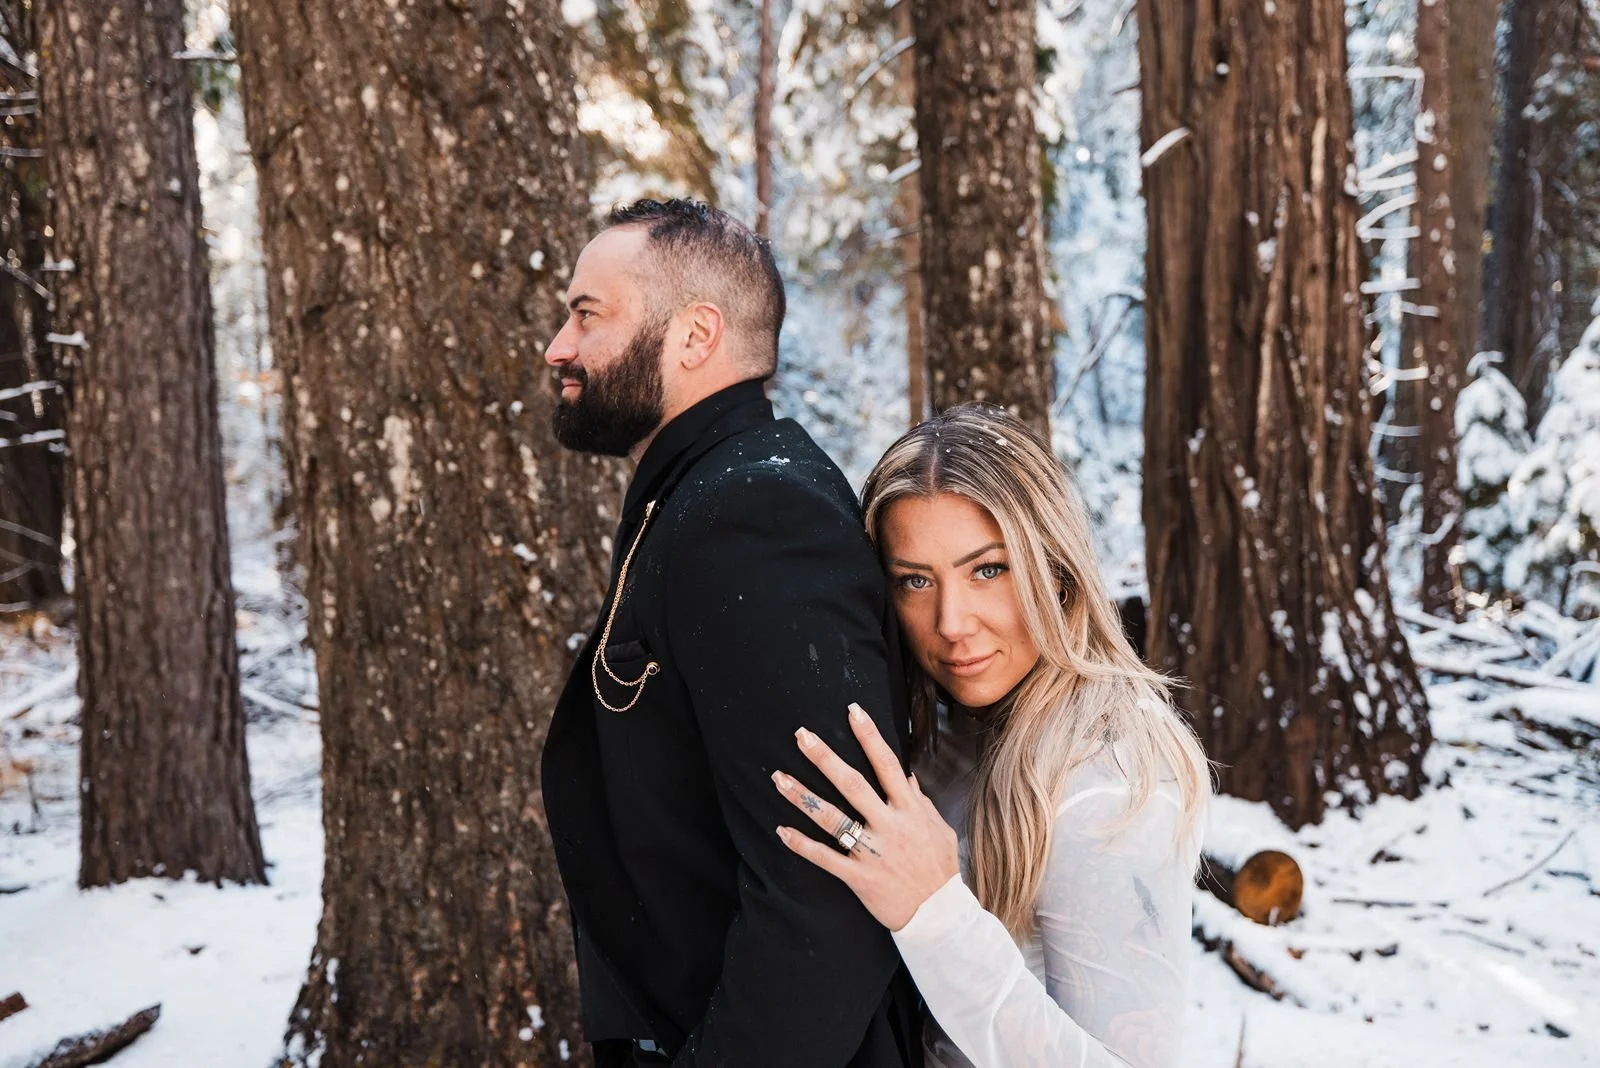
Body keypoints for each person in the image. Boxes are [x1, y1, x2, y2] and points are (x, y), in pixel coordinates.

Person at [540, 198, 921, 1068]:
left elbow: (824, 889)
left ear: (694, 336)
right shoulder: (698, 497)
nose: (560, 346)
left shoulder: (753, 513)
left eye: (587, 314)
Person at [773, 404, 1211, 1068]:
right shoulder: (950, 728)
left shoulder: (1107, 778)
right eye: (915, 581)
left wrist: (934, 915)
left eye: (988, 570)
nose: (953, 623)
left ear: (1056, 569)